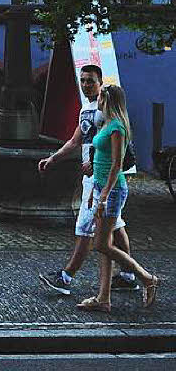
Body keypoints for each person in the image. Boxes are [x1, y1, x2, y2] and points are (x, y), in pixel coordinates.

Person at [38, 64, 137, 295]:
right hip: (93, 178)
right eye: (82, 80)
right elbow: (75, 141)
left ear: (100, 83)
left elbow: (115, 150)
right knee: (117, 225)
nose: (85, 85)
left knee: (84, 225)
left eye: (90, 81)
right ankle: (129, 275)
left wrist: (93, 165)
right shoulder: (86, 109)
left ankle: (66, 277)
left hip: (100, 179)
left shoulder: (106, 110)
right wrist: (53, 158)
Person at [77, 83, 158, 311]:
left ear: (107, 100)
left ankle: (147, 278)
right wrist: (95, 192)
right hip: (103, 189)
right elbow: (99, 163)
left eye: (100, 97)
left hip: (113, 192)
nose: (97, 100)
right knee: (105, 244)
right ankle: (103, 299)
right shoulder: (106, 123)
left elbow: (116, 166)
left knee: (101, 244)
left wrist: (102, 196)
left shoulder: (117, 128)